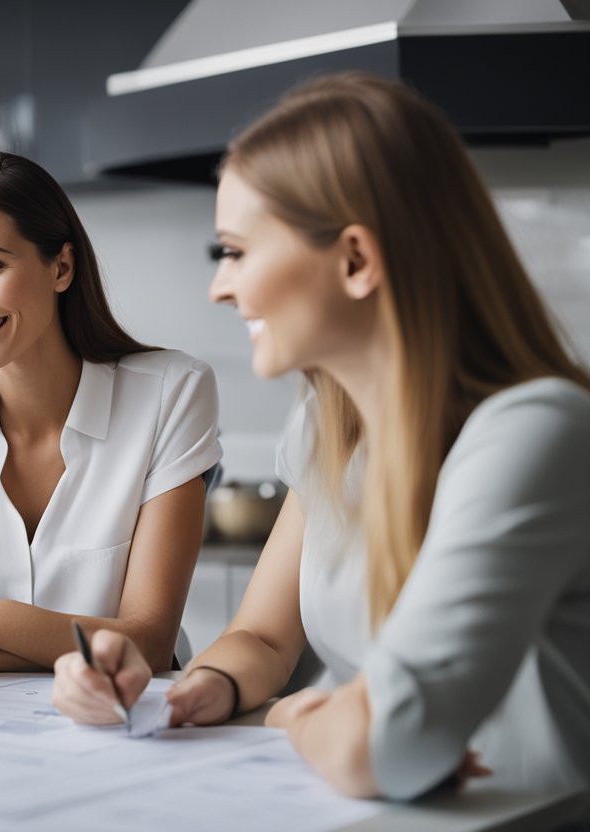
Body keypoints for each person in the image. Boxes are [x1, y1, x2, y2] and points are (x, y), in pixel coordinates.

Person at [52, 71, 590, 802]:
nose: (220, 287)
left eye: (236, 252)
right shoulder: (326, 426)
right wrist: (199, 688)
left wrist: (298, 717)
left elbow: (382, 745)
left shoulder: (535, 434)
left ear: (356, 260)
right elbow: (265, 641)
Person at [0, 151, 221, 672]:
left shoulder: (173, 392)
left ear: (61, 267)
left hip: (123, 715)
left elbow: (146, 643)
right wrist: (80, 641)